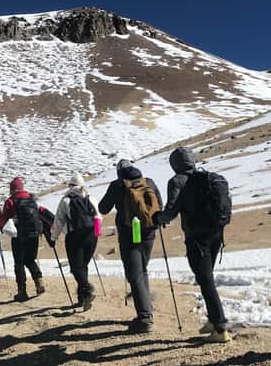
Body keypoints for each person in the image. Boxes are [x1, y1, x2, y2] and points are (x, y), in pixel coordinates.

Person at [153, 147, 231, 343]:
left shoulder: (177, 181)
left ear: (175, 164)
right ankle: (213, 322)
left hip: (197, 238)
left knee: (206, 281)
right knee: (207, 278)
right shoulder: (207, 178)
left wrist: (157, 218)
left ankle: (220, 328)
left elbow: (171, 211)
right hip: (216, 234)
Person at [98, 159, 162, 334]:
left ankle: (144, 318)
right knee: (142, 270)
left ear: (119, 172)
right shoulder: (148, 182)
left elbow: (103, 208)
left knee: (135, 274)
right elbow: (160, 206)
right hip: (149, 233)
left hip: (129, 235)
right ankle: (146, 306)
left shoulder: (117, 185)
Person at [0, 177, 51, 302]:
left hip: (19, 236)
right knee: (30, 260)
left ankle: (22, 291)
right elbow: (41, 213)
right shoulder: (31, 199)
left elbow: (4, 218)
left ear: (12, 189)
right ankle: (39, 282)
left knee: (19, 263)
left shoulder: (11, 201)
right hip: (34, 235)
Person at [50, 173, 99, 311]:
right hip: (91, 236)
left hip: (74, 237)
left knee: (76, 268)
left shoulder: (65, 200)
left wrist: (53, 238)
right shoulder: (91, 198)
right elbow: (98, 217)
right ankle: (82, 298)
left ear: (70, 186)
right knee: (83, 266)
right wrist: (96, 234)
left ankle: (87, 290)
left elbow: (58, 222)